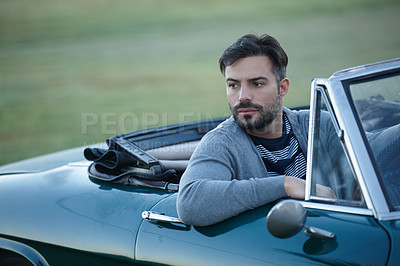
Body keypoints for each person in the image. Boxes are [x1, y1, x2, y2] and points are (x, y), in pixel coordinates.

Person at [176, 33, 334, 226]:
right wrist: (287, 185)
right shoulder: (221, 142)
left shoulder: (320, 125)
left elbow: (377, 155)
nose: (243, 96)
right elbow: (191, 204)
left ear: (282, 88)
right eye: (233, 85)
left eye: (257, 84)